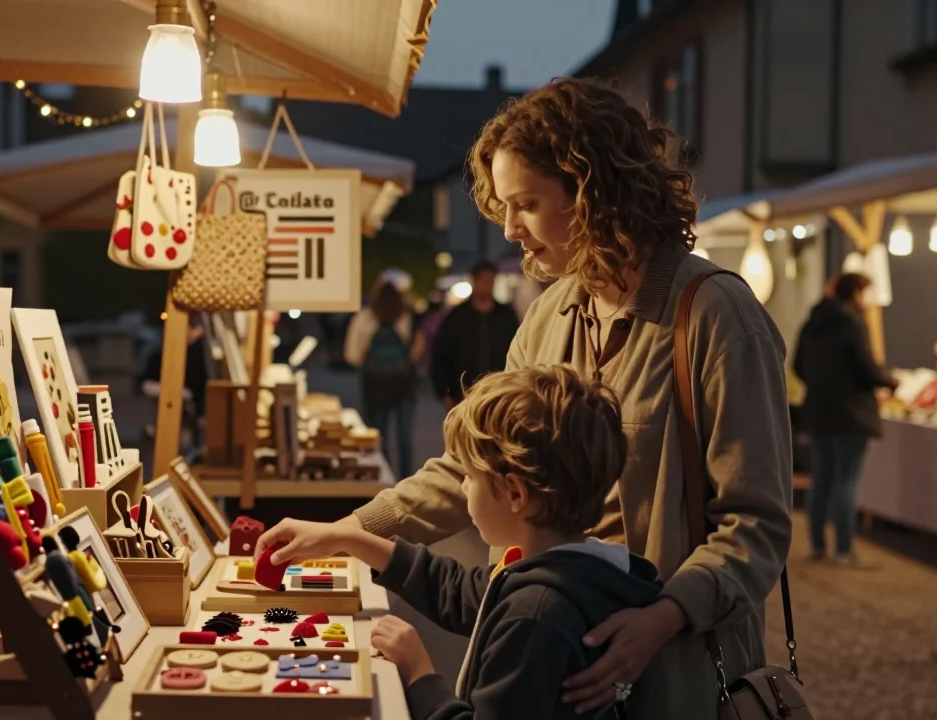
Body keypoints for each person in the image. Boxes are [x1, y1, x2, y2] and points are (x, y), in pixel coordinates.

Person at [259, 77, 793, 718]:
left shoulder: (715, 314)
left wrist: (663, 616)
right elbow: (475, 464)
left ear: (595, 191)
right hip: (548, 653)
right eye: (504, 206)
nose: (510, 229)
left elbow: (756, 525)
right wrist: (353, 529)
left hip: (673, 675)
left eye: (527, 204)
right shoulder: (550, 315)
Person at [261, 366, 662, 719]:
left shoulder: (535, 613)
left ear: (516, 494)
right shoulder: (575, 572)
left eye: (469, 476)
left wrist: (419, 672)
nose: (463, 487)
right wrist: (349, 537)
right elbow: (463, 593)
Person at [794, 272, 898, 565]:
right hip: (852, 412)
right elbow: (867, 367)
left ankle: (817, 546)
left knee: (821, 479)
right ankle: (843, 550)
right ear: (854, 293)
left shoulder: (812, 323)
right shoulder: (851, 323)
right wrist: (890, 381)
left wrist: (821, 385)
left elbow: (798, 365)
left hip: (818, 411)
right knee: (846, 480)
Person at [344, 281, 425, 478]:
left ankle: (383, 479)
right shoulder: (407, 317)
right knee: (405, 438)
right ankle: (406, 481)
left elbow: (352, 355)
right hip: (404, 385)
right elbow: (417, 351)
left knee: (378, 437)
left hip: (375, 386)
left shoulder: (365, 317)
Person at [430, 260, 520, 408]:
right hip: (463, 396)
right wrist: (444, 393)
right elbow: (440, 355)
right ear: (474, 281)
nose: (487, 285)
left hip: (499, 395)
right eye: (483, 281)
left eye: (490, 281)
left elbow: (517, 351)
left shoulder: (506, 316)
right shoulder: (456, 317)